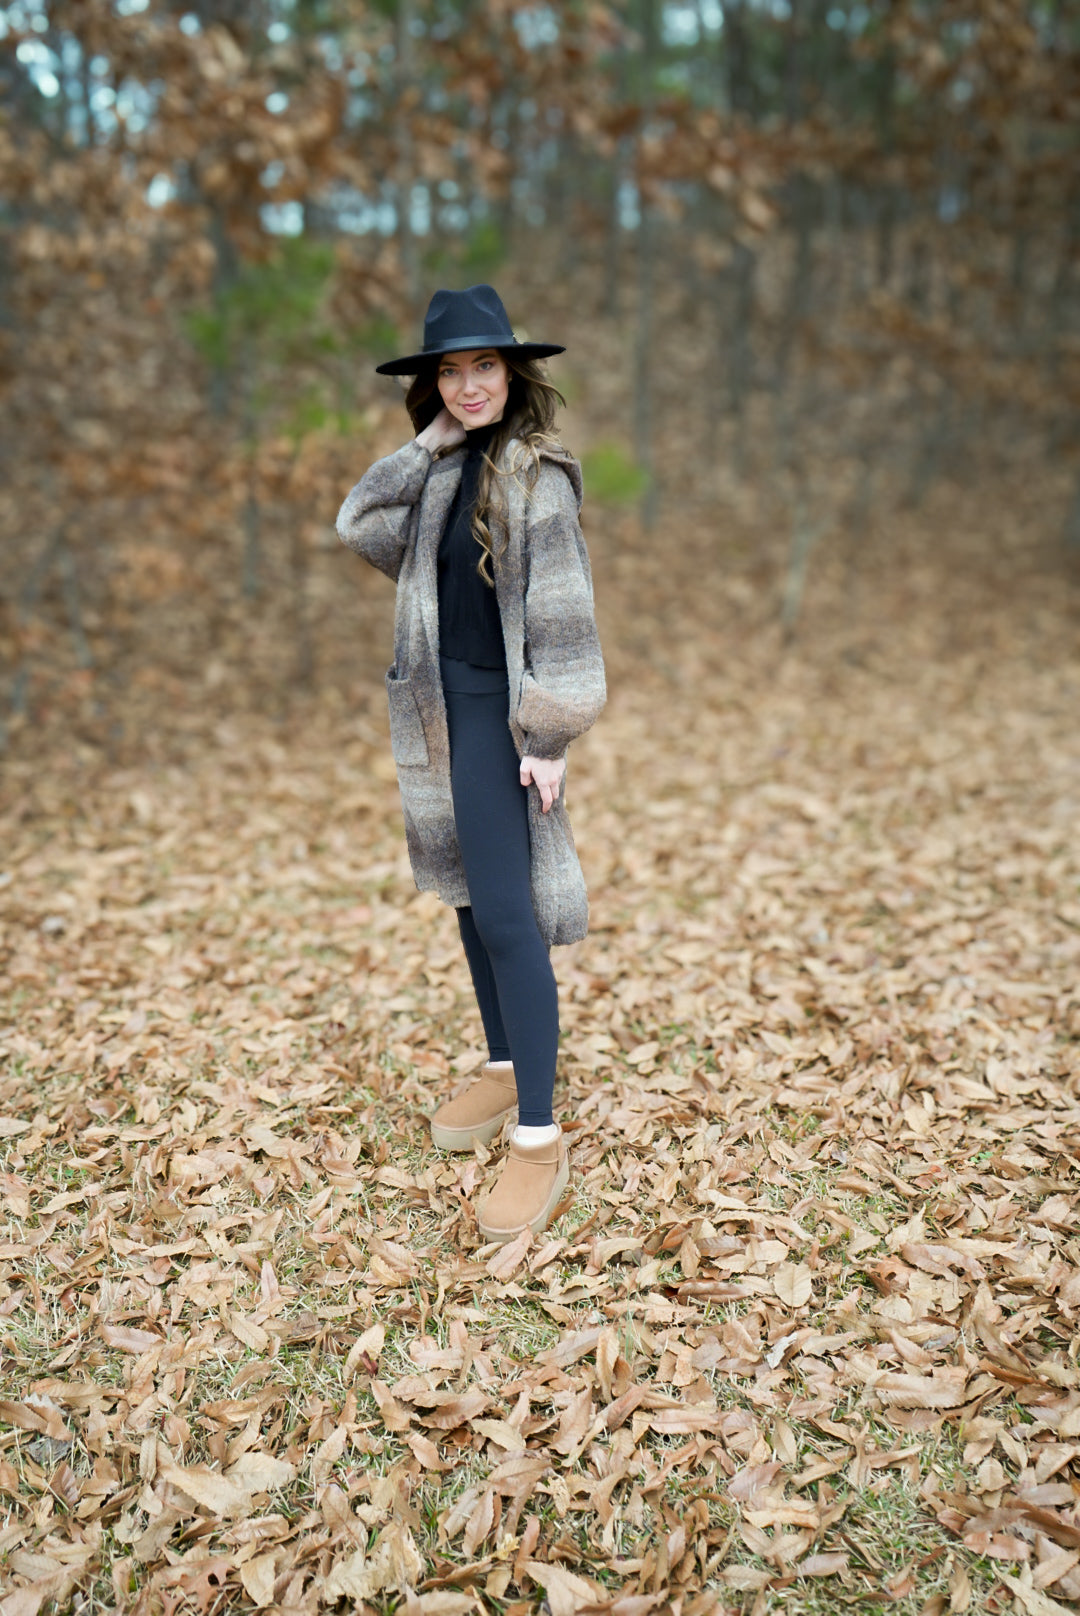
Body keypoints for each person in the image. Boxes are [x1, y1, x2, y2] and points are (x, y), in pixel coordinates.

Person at [336, 284, 606, 1245]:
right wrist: (427, 445)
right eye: (449, 372)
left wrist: (548, 737)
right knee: (463, 894)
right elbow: (360, 524)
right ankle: (501, 1065)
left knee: (506, 911)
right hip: (433, 712)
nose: (468, 385)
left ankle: (539, 1139)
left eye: (483, 366)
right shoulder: (444, 473)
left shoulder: (537, 476)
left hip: (502, 718)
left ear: (513, 371)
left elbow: (566, 616)